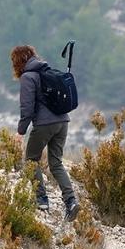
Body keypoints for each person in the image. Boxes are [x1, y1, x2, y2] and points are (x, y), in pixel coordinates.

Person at [11, 44, 80, 221]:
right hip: (63, 122)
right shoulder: (47, 71)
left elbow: (26, 108)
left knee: (31, 160)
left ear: (18, 61)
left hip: (44, 125)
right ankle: (71, 201)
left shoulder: (28, 77)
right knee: (56, 163)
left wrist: (20, 132)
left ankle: (41, 199)